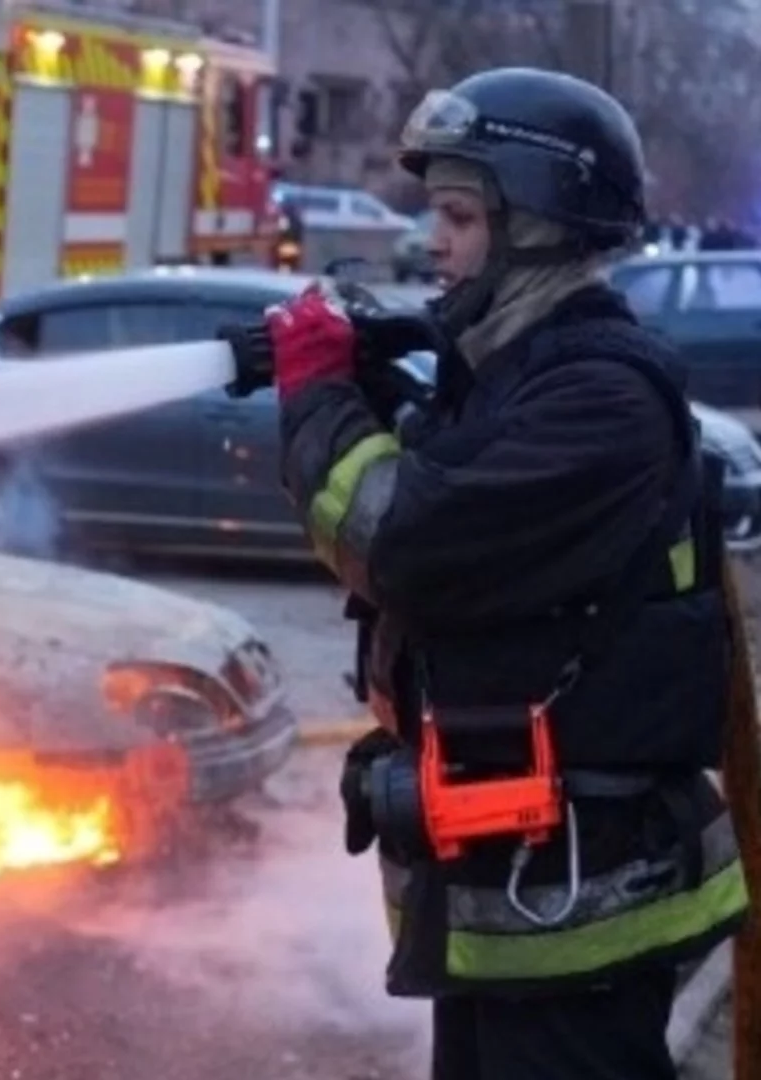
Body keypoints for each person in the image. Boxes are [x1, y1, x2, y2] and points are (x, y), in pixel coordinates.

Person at [262, 67, 751, 1080]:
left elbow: (396, 542)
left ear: (537, 222)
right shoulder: (513, 372)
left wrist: (317, 400)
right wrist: (385, 370)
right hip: (507, 888)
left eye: (456, 214)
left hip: (577, 898)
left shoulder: (600, 402)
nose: (429, 240)